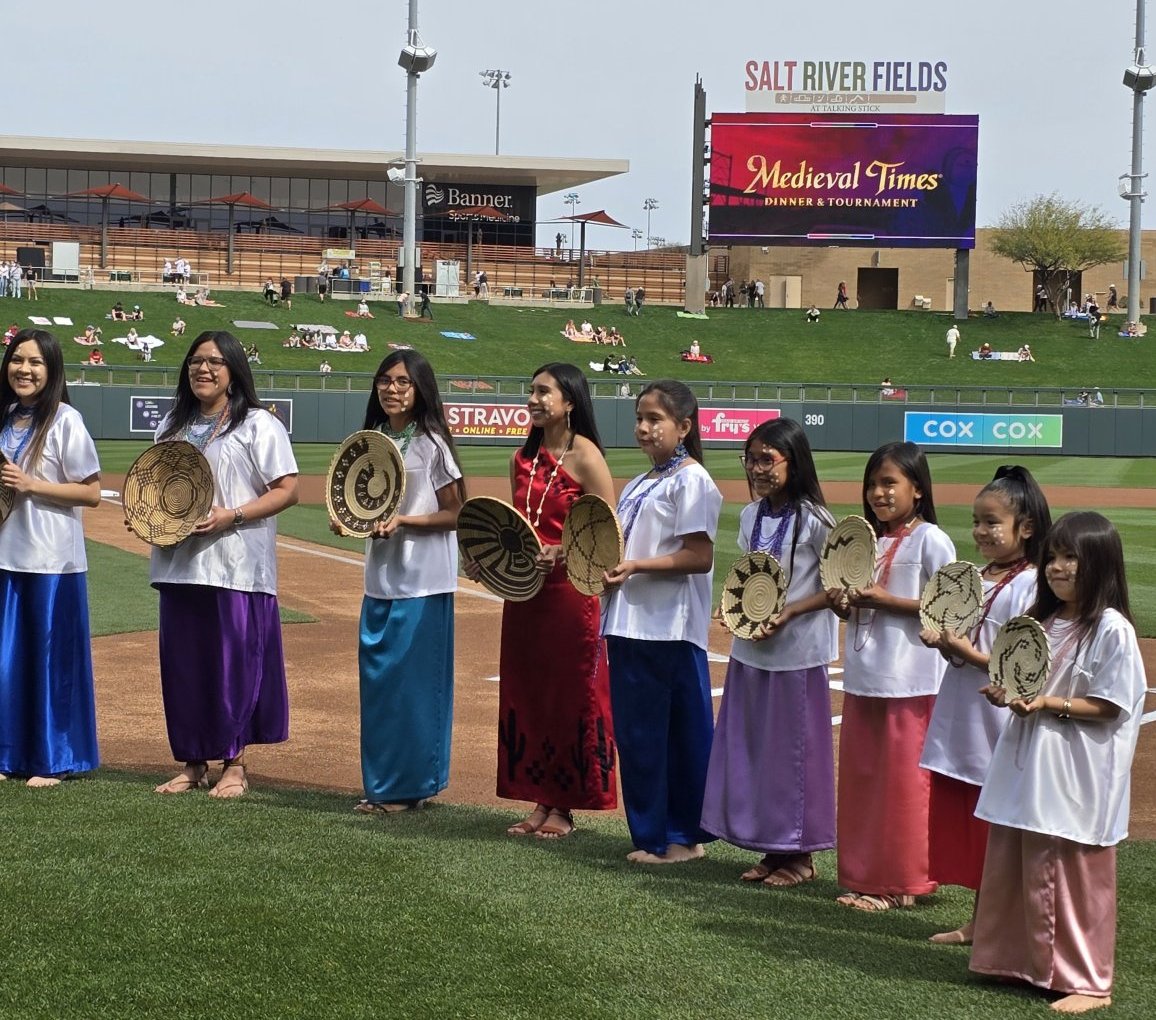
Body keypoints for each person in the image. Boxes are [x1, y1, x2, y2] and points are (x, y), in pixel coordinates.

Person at [970, 512, 1146, 1014]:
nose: (1058, 567)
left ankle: (1090, 981)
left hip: (1076, 770)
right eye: (1053, 557)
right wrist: (1007, 693)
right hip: (1031, 758)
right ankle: (1015, 961)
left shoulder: (1111, 629)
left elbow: (1111, 704)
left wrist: (1045, 703)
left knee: (1073, 872)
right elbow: (1022, 679)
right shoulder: (1042, 621)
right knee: (1016, 853)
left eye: (1072, 557)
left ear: (1100, 565)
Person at [150, 331, 299, 798]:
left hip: (237, 567)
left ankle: (234, 763)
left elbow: (287, 488)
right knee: (185, 668)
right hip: (179, 565)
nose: (203, 369)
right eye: (196, 361)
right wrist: (147, 518)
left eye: (214, 361)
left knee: (234, 666)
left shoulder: (257, 424)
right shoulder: (171, 426)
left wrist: (231, 514)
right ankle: (193, 762)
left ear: (234, 370)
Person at [477, 363, 618, 840]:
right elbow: (517, 526)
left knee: (567, 696)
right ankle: (540, 799)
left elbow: (608, 533)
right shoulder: (523, 457)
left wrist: (564, 551)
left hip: (570, 596)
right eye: (531, 390)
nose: (533, 399)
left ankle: (565, 805)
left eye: (544, 392)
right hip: (525, 595)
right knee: (529, 693)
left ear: (570, 401)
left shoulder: (587, 457)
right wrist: (489, 559)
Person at [701, 419, 837, 888]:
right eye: (750, 459)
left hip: (797, 653)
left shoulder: (818, 521)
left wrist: (793, 611)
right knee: (758, 750)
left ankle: (800, 854)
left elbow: (841, 587)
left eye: (767, 459)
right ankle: (772, 848)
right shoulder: (750, 516)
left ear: (792, 462)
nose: (757, 468)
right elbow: (749, 573)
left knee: (794, 754)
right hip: (751, 650)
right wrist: (731, 604)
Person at [918, 467, 1052, 945]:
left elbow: (1018, 665)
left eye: (992, 522)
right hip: (962, 715)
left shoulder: (1033, 584)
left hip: (997, 721)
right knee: (975, 827)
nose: (980, 531)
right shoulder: (974, 576)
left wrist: (959, 649)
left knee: (998, 826)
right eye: (976, 521)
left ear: (1027, 527)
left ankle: (1003, 926)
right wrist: (941, 642)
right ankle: (982, 923)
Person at [828, 441, 955, 911]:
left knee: (905, 787)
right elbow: (856, 605)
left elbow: (953, 608)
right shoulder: (866, 540)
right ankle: (864, 876)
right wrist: (844, 603)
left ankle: (903, 882)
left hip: (913, 680)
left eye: (889, 483)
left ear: (917, 489)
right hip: (865, 677)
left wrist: (885, 600)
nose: (878, 493)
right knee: (864, 782)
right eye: (873, 484)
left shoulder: (931, 540)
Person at [339, 350, 466, 814]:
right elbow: (361, 503)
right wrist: (347, 521)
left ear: (420, 390)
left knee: (413, 686)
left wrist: (405, 522)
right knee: (381, 684)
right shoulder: (371, 440)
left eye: (403, 382)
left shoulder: (433, 444)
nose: (392, 389)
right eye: (385, 380)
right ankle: (383, 783)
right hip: (381, 577)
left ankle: (409, 785)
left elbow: (456, 514)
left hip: (423, 581)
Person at [602, 380, 724, 863]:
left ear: (684, 427)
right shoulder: (640, 482)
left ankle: (681, 838)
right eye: (640, 418)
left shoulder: (691, 480)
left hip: (669, 626)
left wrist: (634, 567)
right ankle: (650, 834)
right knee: (637, 737)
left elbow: (699, 556)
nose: (643, 429)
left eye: (655, 420)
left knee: (676, 734)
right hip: (630, 621)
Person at [0, 329, 102, 787]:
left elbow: (92, 492)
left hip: (52, 562)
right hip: (6, 556)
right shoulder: (3, 417)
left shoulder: (65, 420)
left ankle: (55, 757)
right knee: (7, 662)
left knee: (48, 662)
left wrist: (32, 485)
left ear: (52, 369)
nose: (24, 369)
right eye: (17, 360)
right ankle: (8, 754)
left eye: (35, 362)